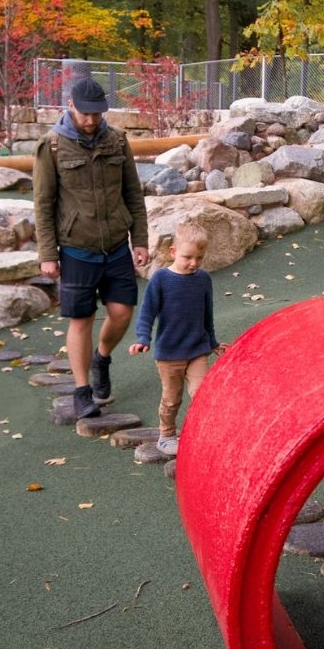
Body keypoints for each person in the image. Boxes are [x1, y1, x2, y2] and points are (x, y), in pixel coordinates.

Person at [33, 77, 149, 419]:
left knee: (122, 312)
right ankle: (82, 391)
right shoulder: (51, 146)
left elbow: (133, 192)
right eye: (86, 113)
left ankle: (102, 357)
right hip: (75, 247)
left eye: (98, 113)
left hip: (115, 245)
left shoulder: (118, 140)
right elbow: (43, 203)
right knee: (81, 318)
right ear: (71, 106)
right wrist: (47, 254)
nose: (92, 120)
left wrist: (139, 239)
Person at [129, 222, 225, 460]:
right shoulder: (161, 279)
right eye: (187, 257)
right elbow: (147, 312)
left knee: (202, 393)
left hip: (197, 350)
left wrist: (212, 342)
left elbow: (207, 313)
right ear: (173, 251)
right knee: (172, 399)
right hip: (169, 353)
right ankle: (167, 436)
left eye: (199, 257)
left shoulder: (203, 279)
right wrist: (143, 338)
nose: (193, 263)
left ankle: (204, 435)